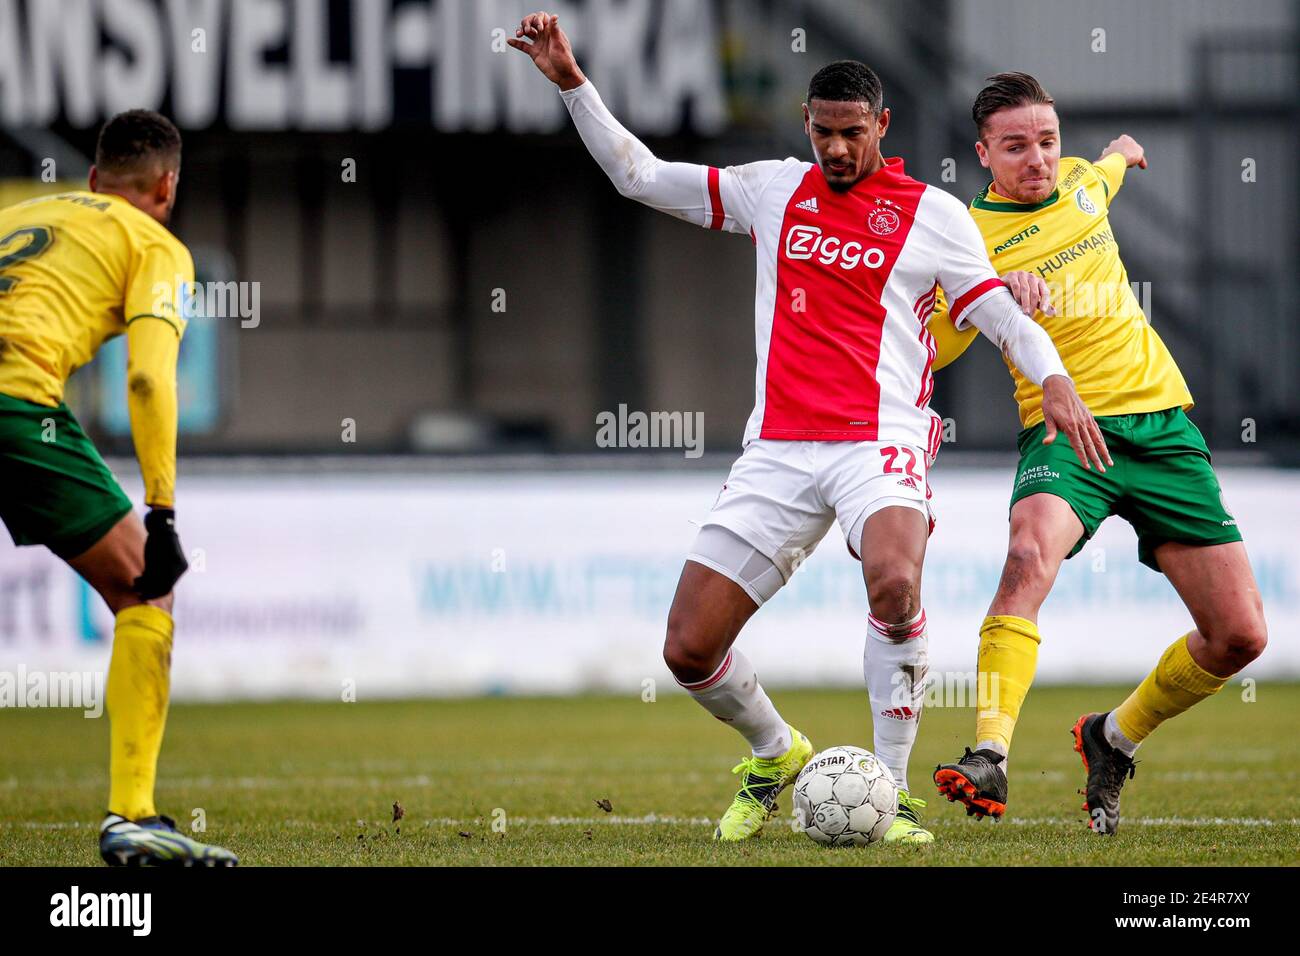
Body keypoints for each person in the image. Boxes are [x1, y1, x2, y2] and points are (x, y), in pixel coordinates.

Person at [511, 16, 1101, 843]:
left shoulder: (931, 214)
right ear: (806, 127)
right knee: (687, 649)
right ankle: (775, 748)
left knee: (895, 584)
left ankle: (890, 793)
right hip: (779, 448)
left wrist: (1055, 380)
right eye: (821, 133)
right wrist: (574, 83)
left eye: (851, 133)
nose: (835, 149)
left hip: (879, 439)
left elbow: (1000, 316)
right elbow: (638, 176)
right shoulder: (772, 189)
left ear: (881, 127)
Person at [927, 73, 1267, 834]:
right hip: (1062, 430)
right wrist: (992, 296)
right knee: (1026, 557)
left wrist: (1124, 152)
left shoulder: (1085, 182)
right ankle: (989, 752)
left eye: (1047, 142)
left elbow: (1107, 166)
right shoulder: (966, 236)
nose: (1038, 159)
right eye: (1015, 146)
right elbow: (940, 344)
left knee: (1240, 635)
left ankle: (1111, 739)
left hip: (1162, 426)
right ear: (983, 154)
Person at [0, 110, 237, 865]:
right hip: (13, 407)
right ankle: (133, 815)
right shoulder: (155, 244)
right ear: (167, 184)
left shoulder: (20, 213)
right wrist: (162, 510)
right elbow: (145, 373)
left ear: (95, 178)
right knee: (145, 590)